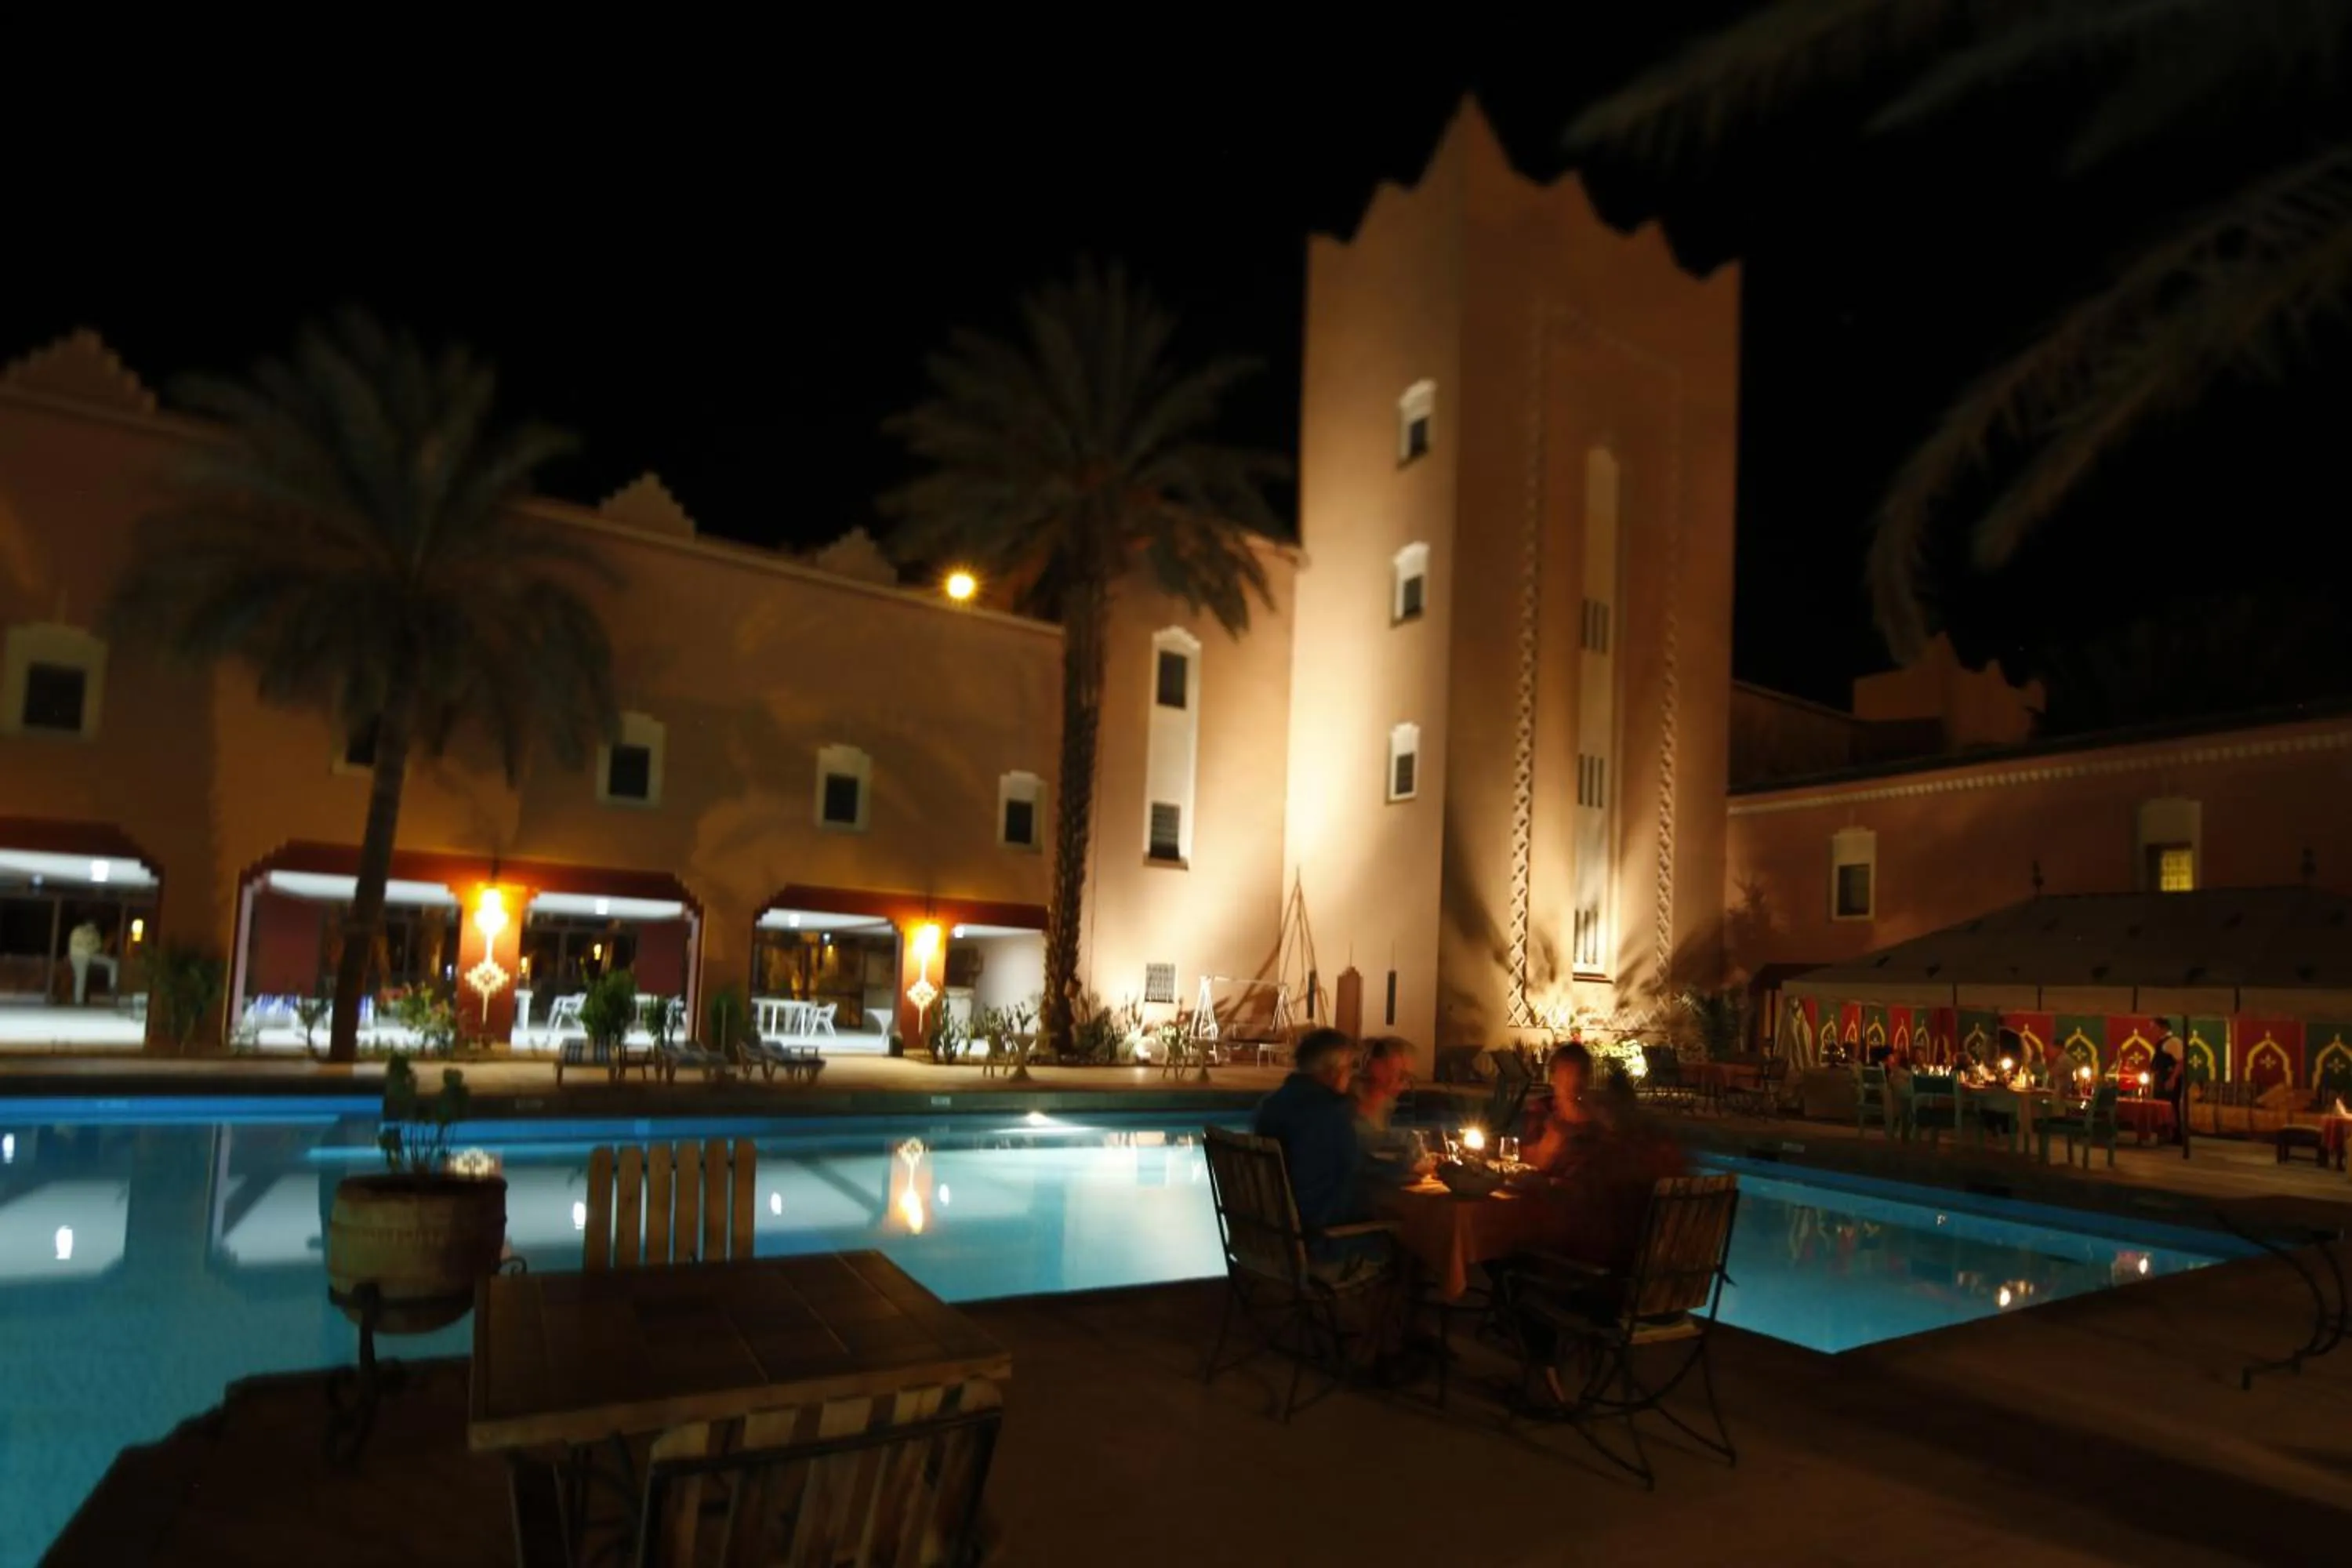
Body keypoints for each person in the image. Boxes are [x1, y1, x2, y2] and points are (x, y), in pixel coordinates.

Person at [1252, 1028, 1386, 1277]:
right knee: (1406, 1238)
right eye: (1349, 1068)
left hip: (1270, 1237)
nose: (1352, 1076)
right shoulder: (1330, 1112)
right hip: (1320, 1243)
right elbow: (1357, 1167)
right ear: (1332, 1071)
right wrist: (1407, 1168)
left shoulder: (1269, 1106)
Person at [1351, 1036, 1435, 1190]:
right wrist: (1408, 1167)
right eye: (1402, 1075)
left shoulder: (1388, 1109)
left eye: (1409, 1078)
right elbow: (1358, 1160)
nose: (1406, 1084)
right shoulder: (1348, 1110)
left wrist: (1419, 1156)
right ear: (1375, 1066)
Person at [1526, 1042, 1605, 1178]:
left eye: (1579, 1074)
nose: (1573, 1081)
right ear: (1553, 1078)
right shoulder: (1541, 1112)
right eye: (1567, 1073)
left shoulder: (1596, 1122)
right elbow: (1528, 1165)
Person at [2150, 1020, 2191, 1157]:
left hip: (2170, 1079)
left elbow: (2180, 1062)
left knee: (2171, 1107)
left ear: (2163, 1028)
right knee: (2162, 1106)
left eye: (2154, 1027)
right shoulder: (2162, 1042)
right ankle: (2166, 1134)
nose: (2152, 1030)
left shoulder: (2173, 1042)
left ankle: (2176, 1136)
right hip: (2162, 1078)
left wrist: (2172, 1079)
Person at [67, 920, 116, 1006]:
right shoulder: (77, 931)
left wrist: (92, 948)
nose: (91, 929)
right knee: (81, 977)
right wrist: (87, 949)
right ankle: (78, 1002)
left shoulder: (95, 933)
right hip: (78, 956)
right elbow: (74, 945)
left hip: (91, 955)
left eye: (93, 927)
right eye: (90, 927)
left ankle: (112, 985)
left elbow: (97, 946)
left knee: (113, 963)